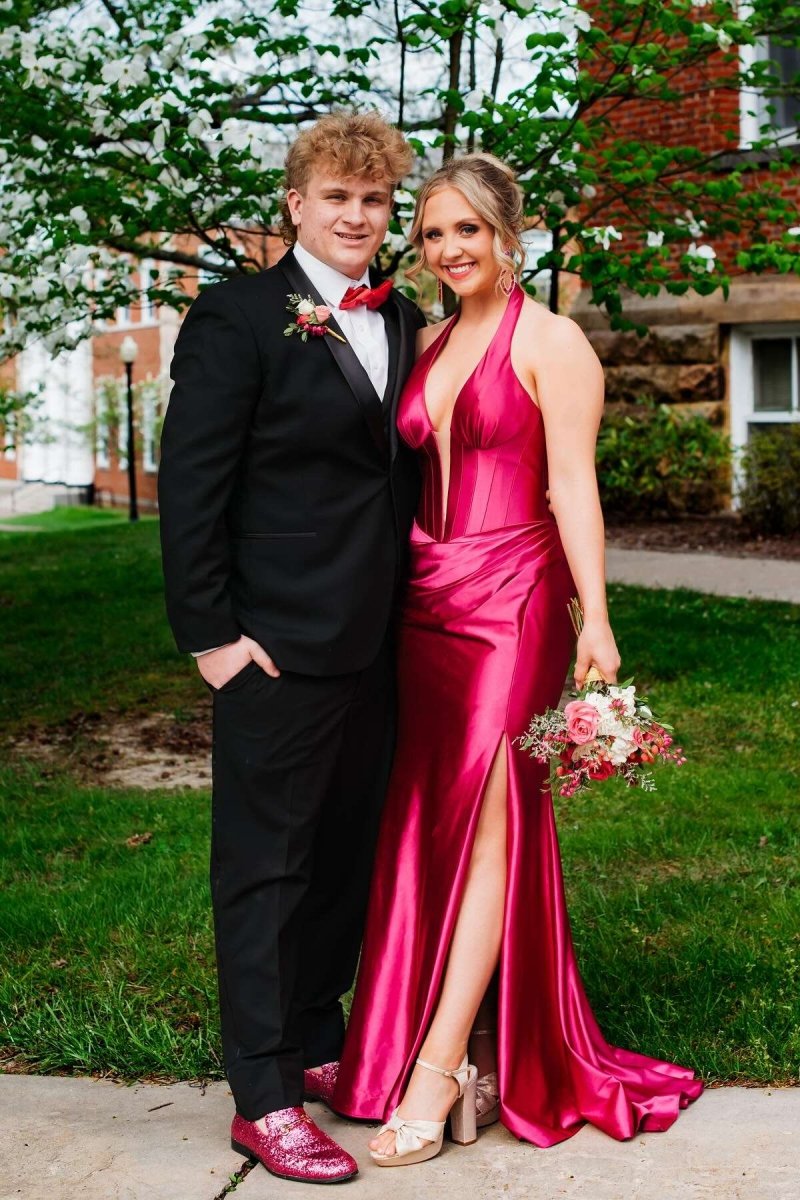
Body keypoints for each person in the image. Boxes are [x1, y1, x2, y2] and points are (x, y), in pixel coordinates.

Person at [332, 153, 703, 1164]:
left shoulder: (552, 342)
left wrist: (596, 619)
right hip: (425, 600)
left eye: (468, 230)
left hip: (515, 602)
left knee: (495, 820)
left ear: (507, 234)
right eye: (432, 233)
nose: (449, 249)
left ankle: (439, 1065)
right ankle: (434, 1040)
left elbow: (572, 486)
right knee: (427, 821)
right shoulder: (426, 341)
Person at [158, 111, 425, 1185]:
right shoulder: (235, 316)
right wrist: (212, 638)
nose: (356, 216)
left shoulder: (403, 316)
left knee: (342, 858)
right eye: (337, 197)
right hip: (270, 647)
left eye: (374, 200)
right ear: (297, 203)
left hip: (382, 642)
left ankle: (316, 1038)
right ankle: (262, 1097)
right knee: (264, 871)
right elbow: (192, 487)